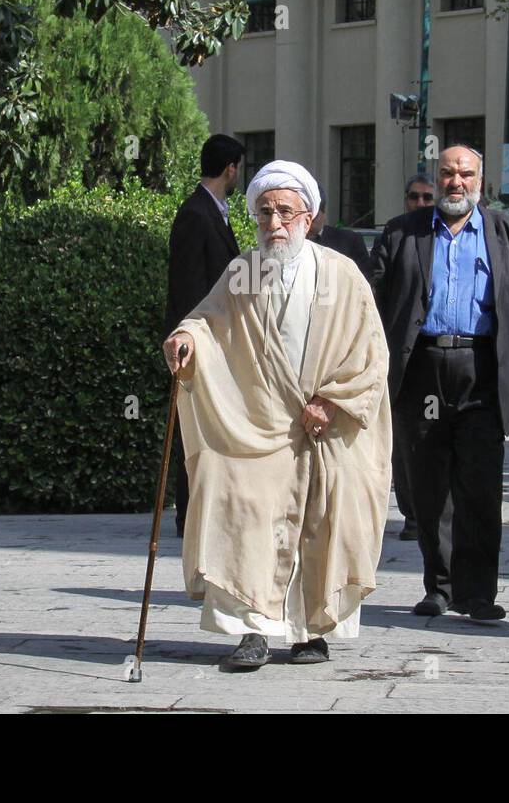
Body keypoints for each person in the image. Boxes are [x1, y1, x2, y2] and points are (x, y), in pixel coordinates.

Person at [162, 160, 392, 669]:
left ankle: (311, 631)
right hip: (261, 427)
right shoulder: (242, 271)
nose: (274, 223)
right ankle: (251, 631)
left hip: (326, 428)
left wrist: (331, 402)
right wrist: (184, 339)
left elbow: (371, 353)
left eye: (285, 212)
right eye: (264, 212)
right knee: (239, 501)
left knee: (325, 520)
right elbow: (207, 319)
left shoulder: (341, 273)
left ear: (308, 218)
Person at [371, 146, 509, 622]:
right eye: (447, 173)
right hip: (421, 369)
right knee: (428, 490)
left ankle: (478, 594)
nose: (456, 182)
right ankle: (440, 585)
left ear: (480, 180)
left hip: (482, 370)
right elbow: (372, 307)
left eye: (465, 174)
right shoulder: (401, 233)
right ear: (436, 178)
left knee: (480, 488)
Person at [164, 134, 244, 537]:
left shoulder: (218, 211)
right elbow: (188, 285)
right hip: (198, 341)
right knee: (193, 427)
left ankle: (211, 507)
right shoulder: (196, 213)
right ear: (231, 168)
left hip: (220, 339)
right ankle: (189, 513)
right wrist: (190, 337)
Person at [390, 172, 437, 541]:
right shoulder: (397, 234)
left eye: (427, 198)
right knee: (406, 441)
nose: (420, 203)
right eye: (414, 197)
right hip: (406, 358)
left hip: (451, 357)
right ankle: (412, 514)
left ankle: (440, 511)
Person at [309, 184, 371, 278]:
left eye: (313, 216)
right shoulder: (287, 242)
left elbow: (365, 279)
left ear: (324, 213)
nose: (307, 221)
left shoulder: (349, 241)